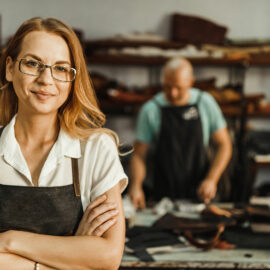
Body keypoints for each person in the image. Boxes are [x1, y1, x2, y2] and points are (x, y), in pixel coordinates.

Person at [0, 17, 127, 269]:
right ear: (10, 69)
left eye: (60, 68)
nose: (46, 79)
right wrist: (73, 252)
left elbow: (109, 257)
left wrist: (8, 242)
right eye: (33, 64)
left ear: (71, 79)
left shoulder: (96, 149)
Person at [128, 57, 232, 209]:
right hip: (162, 192)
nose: (173, 93)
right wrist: (136, 185)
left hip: (200, 190)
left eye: (179, 87)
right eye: (167, 87)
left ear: (191, 81)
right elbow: (138, 154)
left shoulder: (205, 103)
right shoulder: (150, 109)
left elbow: (224, 145)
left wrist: (211, 179)